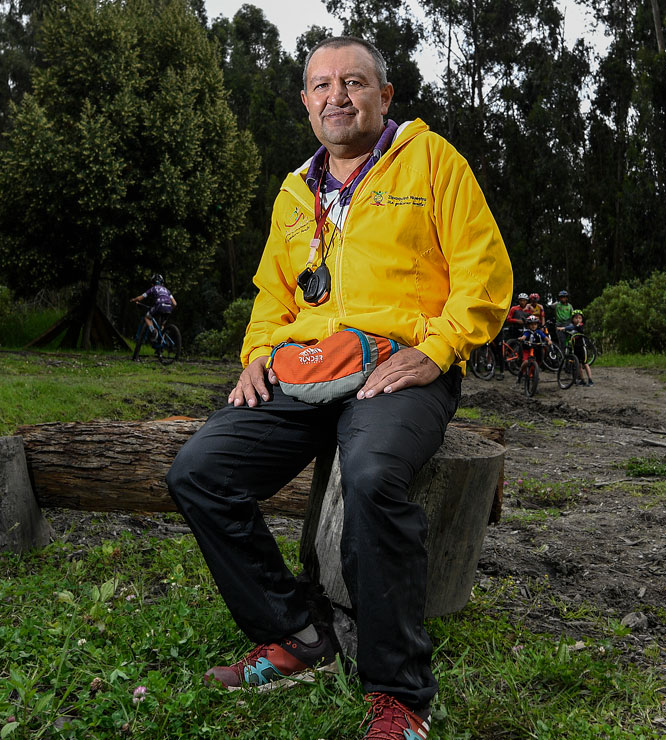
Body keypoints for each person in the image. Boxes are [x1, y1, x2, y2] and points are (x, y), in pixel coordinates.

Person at [165, 36, 512, 740]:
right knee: (199, 472)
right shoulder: (295, 191)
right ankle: (296, 633)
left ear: (385, 96)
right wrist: (259, 351)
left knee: (373, 472)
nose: (337, 96)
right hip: (306, 369)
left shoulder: (431, 159)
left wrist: (437, 350)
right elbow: (273, 294)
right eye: (322, 86)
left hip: (400, 364)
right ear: (305, 102)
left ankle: (400, 696)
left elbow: (486, 274)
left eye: (354, 83)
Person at [129, 274, 177, 342]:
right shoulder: (167, 290)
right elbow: (175, 304)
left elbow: (140, 298)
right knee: (162, 326)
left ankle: (153, 331)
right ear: (162, 283)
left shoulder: (153, 288)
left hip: (159, 305)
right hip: (169, 307)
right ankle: (161, 343)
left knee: (147, 317)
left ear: (152, 283)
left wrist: (134, 300)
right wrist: (169, 308)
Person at [562, 310, 594, 386]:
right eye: (576, 318)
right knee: (578, 365)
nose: (578, 319)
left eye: (580, 318)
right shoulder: (572, 327)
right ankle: (582, 380)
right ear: (572, 319)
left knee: (585, 364)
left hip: (582, 347)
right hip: (575, 348)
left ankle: (590, 380)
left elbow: (574, 327)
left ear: (582, 319)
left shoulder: (580, 326)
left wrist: (564, 328)